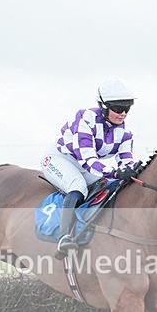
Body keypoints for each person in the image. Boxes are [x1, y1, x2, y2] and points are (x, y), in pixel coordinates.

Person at [40, 78, 139, 258]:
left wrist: (133, 170)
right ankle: (64, 238)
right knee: (77, 186)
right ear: (103, 106)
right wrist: (115, 172)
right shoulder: (85, 119)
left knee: (112, 185)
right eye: (117, 108)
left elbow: (126, 160)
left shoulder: (126, 133)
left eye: (127, 108)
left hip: (83, 163)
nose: (123, 113)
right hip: (59, 159)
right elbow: (89, 161)